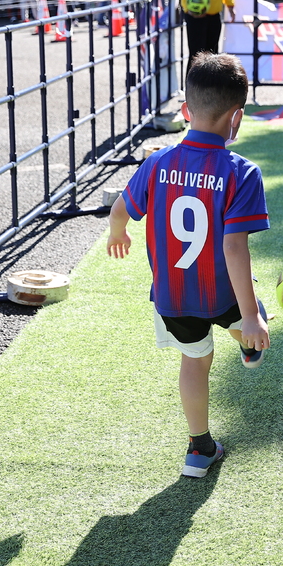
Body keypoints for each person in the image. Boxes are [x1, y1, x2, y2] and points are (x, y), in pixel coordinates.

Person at [106, 52, 270, 479]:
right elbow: (234, 248)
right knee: (249, 313)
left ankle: (199, 449)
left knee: (195, 362)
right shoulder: (242, 172)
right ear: (237, 117)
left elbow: (120, 209)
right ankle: (248, 338)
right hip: (223, 292)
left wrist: (118, 233)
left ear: (185, 110)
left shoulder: (157, 162)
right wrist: (251, 315)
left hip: (173, 298)